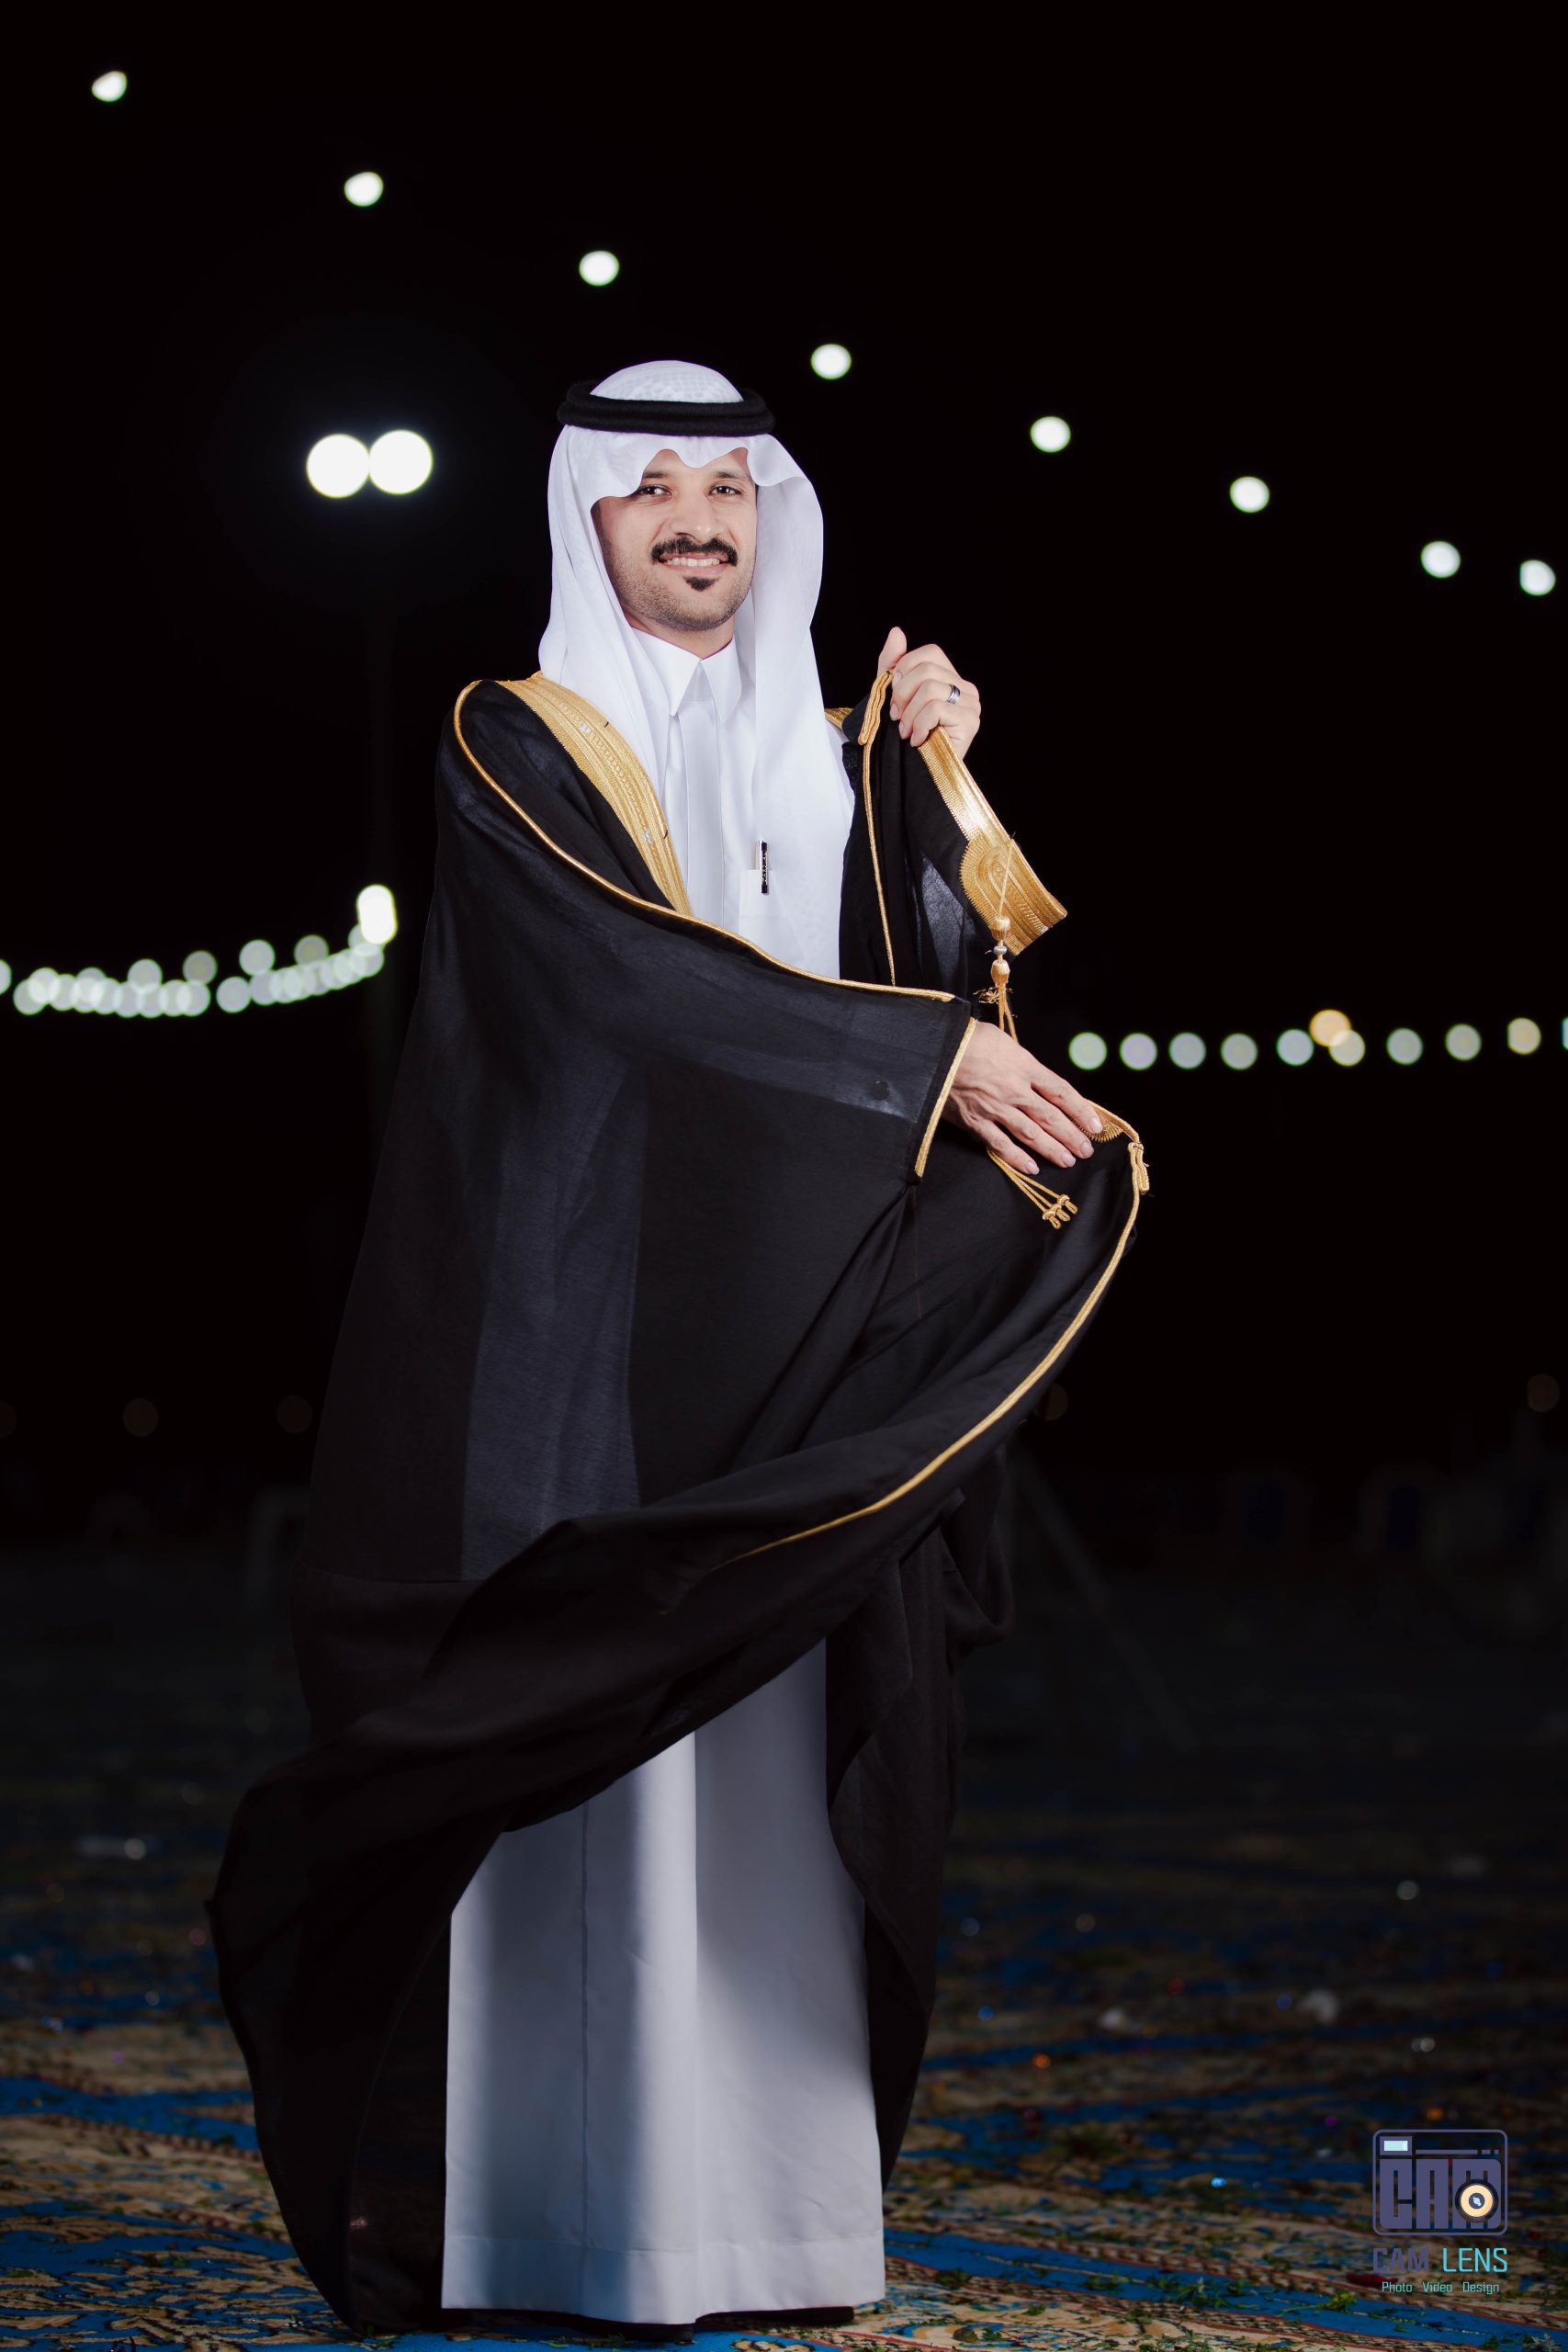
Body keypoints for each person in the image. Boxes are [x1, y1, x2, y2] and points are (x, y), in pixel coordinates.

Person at [206, 362, 1149, 2338]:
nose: (700, 520)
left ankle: (766, 2232)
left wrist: (933, 782)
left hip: (787, 1349)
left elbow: (934, 980)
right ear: (590, 519)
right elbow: (631, 984)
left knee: (775, 1777)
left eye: (730, 486)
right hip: (591, 1358)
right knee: (591, 1780)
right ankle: (566, 2232)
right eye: (656, 490)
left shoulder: (827, 754)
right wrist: (921, 1060)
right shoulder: (513, 737)